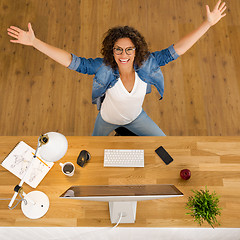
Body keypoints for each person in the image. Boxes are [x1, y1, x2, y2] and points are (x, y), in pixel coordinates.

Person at [7, 0, 227, 136]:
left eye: (129, 50)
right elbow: (72, 61)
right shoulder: (103, 68)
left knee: (164, 146)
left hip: (137, 118)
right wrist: (35, 42)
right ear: (111, 51)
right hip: (106, 120)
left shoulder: (148, 63)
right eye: (118, 50)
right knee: (91, 155)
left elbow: (176, 49)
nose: (124, 55)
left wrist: (207, 23)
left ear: (136, 50)